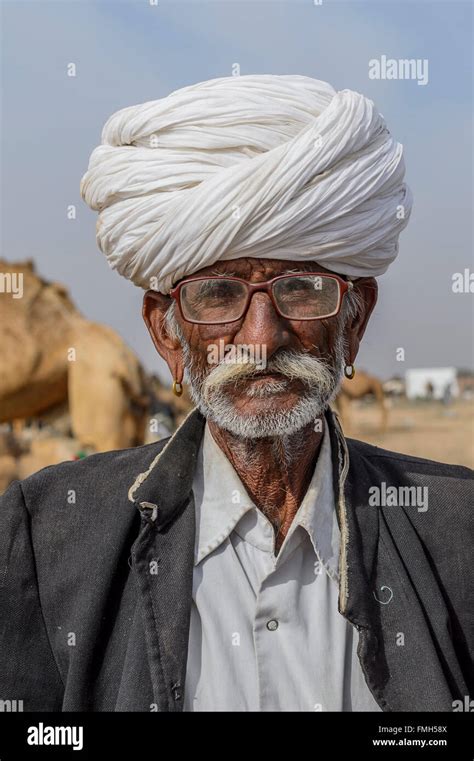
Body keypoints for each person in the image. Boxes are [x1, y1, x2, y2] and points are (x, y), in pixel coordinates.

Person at [0, 75, 471, 712]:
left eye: (301, 289)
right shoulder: (46, 535)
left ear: (353, 321)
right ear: (166, 335)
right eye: (217, 294)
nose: (261, 336)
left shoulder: (456, 530)